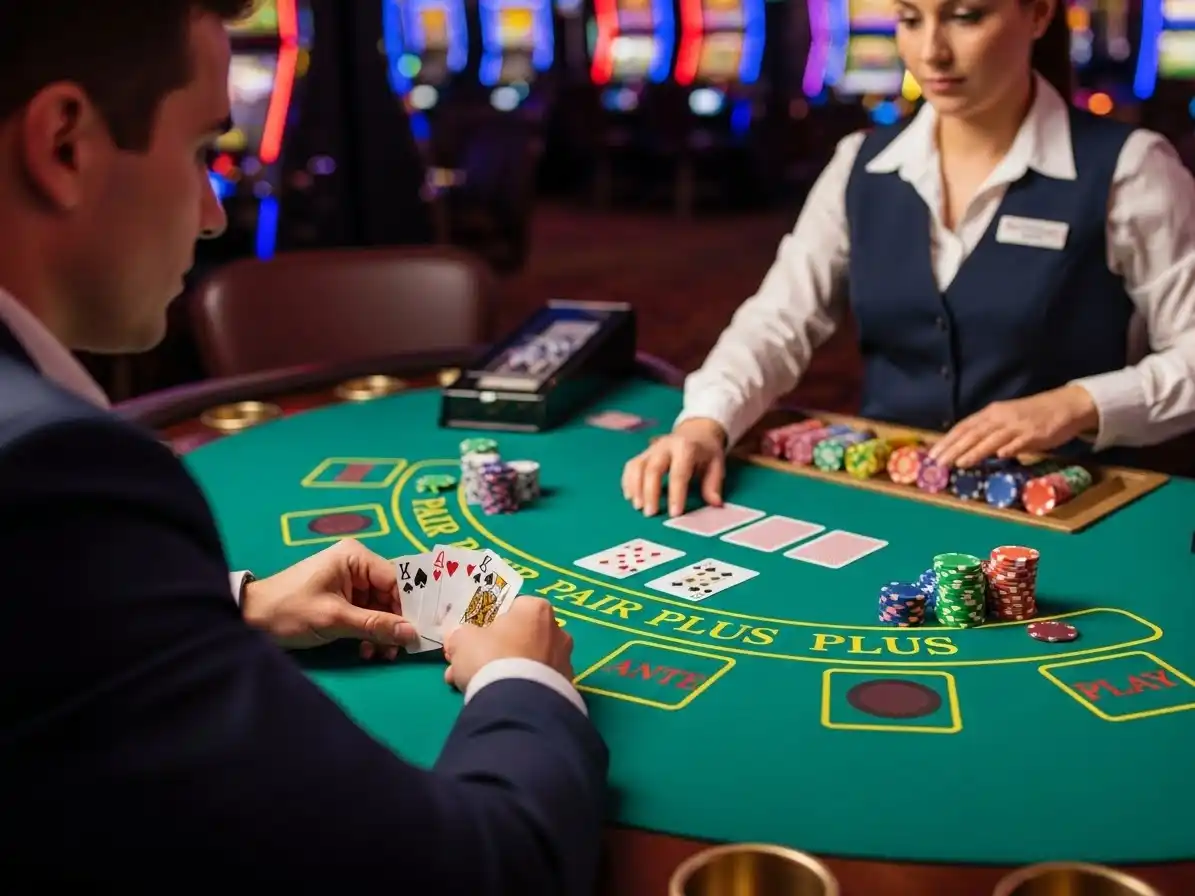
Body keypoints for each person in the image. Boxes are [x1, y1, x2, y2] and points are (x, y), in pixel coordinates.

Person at [0, 1, 608, 887]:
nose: (213, 213)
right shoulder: (54, 484)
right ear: (65, 146)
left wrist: (235, 602)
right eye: (201, 149)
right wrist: (523, 682)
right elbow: (479, 869)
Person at [624, 0, 1195, 517]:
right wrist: (706, 422)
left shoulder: (1131, 169)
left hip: (1065, 507)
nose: (932, 52)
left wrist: (1077, 404)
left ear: (1040, 14)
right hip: (893, 494)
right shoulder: (859, 163)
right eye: (909, 19)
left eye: (966, 16)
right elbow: (777, 320)